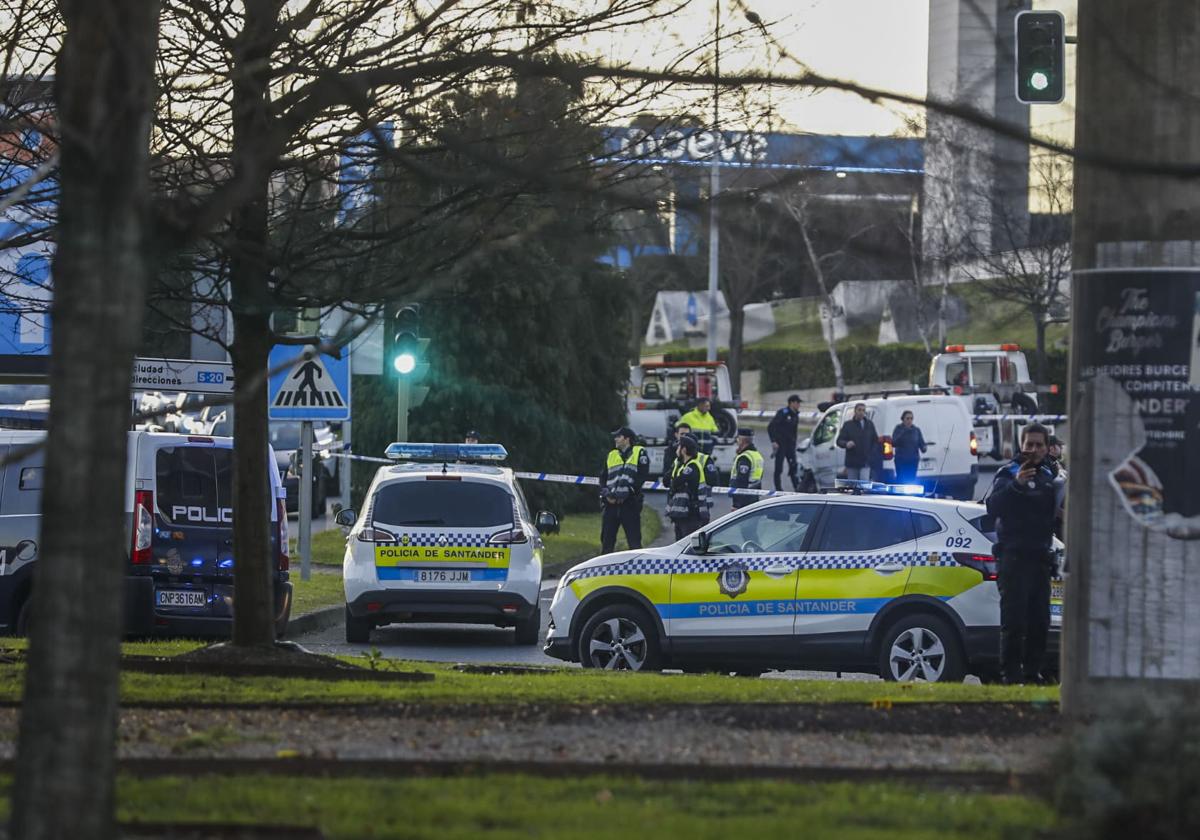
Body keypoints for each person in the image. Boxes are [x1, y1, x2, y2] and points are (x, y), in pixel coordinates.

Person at [985, 423, 1065, 684]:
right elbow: (993, 508)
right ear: (1022, 445)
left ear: (1046, 447)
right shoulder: (1008, 473)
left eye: (1039, 445)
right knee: (1014, 622)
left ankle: (1033, 674)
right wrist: (1017, 485)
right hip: (1013, 557)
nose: (1033, 449)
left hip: (1040, 558)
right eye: (1029, 444)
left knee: (1039, 622)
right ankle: (1011, 675)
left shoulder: (1049, 475)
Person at [599, 426, 650, 555]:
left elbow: (642, 476)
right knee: (606, 541)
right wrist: (606, 494)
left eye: (618, 436)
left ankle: (637, 572)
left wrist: (629, 492)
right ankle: (605, 571)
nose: (615, 439)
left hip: (629, 504)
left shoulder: (639, 452)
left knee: (634, 543)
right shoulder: (611, 455)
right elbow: (603, 477)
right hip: (610, 505)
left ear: (627, 439)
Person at [666, 436, 704, 539]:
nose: (676, 450)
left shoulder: (692, 466)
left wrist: (674, 480)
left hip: (691, 513)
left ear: (684, 450)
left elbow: (676, 482)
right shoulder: (681, 465)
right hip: (681, 513)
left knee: (688, 544)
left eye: (678, 447)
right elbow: (666, 481)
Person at [767, 394, 803, 491]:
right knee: (779, 468)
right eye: (797, 403)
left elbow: (794, 431)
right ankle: (778, 488)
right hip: (780, 444)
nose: (799, 405)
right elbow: (771, 427)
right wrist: (773, 441)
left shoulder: (796, 415)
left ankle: (797, 487)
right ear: (791, 403)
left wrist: (794, 443)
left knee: (793, 466)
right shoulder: (783, 413)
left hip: (790, 445)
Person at [836, 403, 879, 481]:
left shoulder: (869, 424)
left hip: (865, 461)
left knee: (864, 482)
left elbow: (875, 441)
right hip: (852, 461)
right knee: (853, 483)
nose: (861, 412)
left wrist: (872, 454)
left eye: (863, 410)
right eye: (859, 410)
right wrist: (846, 444)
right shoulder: (848, 425)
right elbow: (839, 441)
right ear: (855, 411)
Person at [730, 428, 764, 509]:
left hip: (744, 500)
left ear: (742, 441)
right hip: (754, 496)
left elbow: (741, 481)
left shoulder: (745, 457)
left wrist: (736, 505)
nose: (737, 442)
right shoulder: (757, 455)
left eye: (738, 439)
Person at [891, 410, 927, 485]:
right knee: (901, 480)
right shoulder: (898, 429)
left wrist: (924, 447)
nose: (909, 421)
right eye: (907, 418)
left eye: (911, 418)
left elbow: (921, 443)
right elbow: (894, 442)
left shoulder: (916, 430)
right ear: (903, 419)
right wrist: (904, 432)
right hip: (901, 460)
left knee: (911, 480)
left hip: (913, 459)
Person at [661, 421, 691, 485]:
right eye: (682, 434)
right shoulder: (670, 450)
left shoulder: (696, 450)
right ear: (676, 434)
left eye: (687, 434)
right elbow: (667, 470)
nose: (684, 436)